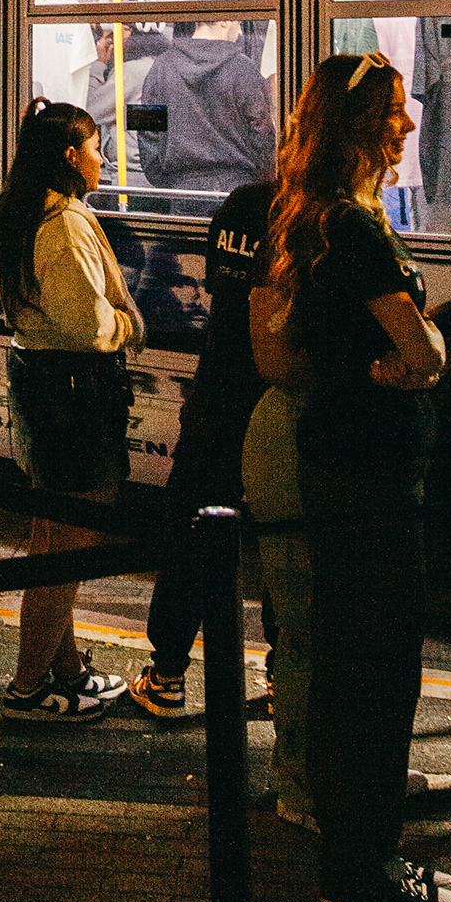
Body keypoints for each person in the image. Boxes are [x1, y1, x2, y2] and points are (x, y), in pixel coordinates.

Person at [260, 53, 451, 902]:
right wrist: (422, 360)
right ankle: (366, 866)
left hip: (333, 459)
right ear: (360, 130)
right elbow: (423, 352)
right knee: (380, 672)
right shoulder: (362, 230)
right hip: (376, 476)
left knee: (345, 662)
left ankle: (353, 848)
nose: (407, 128)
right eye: (394, 115)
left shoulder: (304, 218)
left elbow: (294, 349)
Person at [0, 101, 137, 719]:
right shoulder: (65, 225)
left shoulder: (16, 210)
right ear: (70, 157)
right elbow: (90, 326)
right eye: (97, 146)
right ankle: (27, 689)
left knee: (51, 537)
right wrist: (127, 322)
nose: (105, 158)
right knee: (65, 546)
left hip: (41, 383)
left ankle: (67, 669)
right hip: (75, 391)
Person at [130, 173, 275, 727]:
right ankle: (284, 675)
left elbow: (221, 292)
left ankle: (166, 675)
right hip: (279, 398)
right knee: (284, 542)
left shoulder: (244, 205)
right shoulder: (326, 218)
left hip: (219, 390)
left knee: (189, 529)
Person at [137, 21, 275, 204]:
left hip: (181, 192)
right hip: (238, 191)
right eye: (238, 23)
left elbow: (144, 130)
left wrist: (166, 183)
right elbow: (263, 134)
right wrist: (258, 182)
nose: (241, 31)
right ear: (224, 22)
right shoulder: (244, 69)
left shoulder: (160, 67)